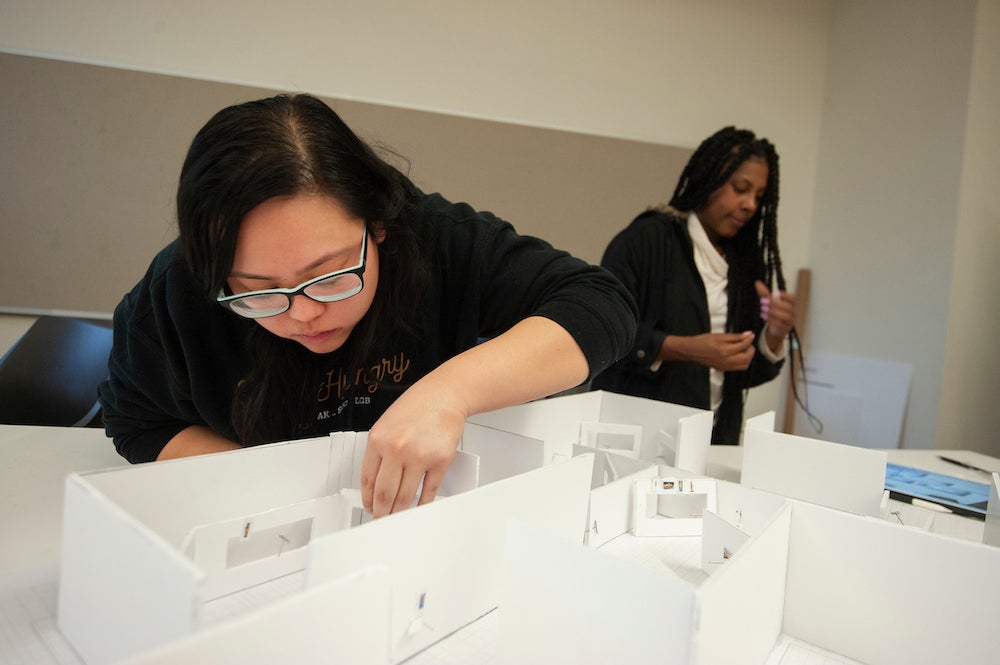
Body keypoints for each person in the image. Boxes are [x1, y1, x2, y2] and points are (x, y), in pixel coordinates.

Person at [98, 93, 637, 516]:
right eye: (258, 292)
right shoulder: (176, 290)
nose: (303, 313)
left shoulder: (436, 239)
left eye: (330, 277)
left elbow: (600, 304)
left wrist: (448, 393)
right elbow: (138, 420)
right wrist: (264, 484)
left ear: (377, 227)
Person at [591, 126, 796, 445]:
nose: (750, 205)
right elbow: (603, 332)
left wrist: (774, 336)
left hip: (714, 439)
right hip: (641, 438)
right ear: (710, 178)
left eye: (758, 196)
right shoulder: (647, 241)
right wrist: (683, 348)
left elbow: (745, 374)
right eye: (740, 188)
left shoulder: (745, 265)